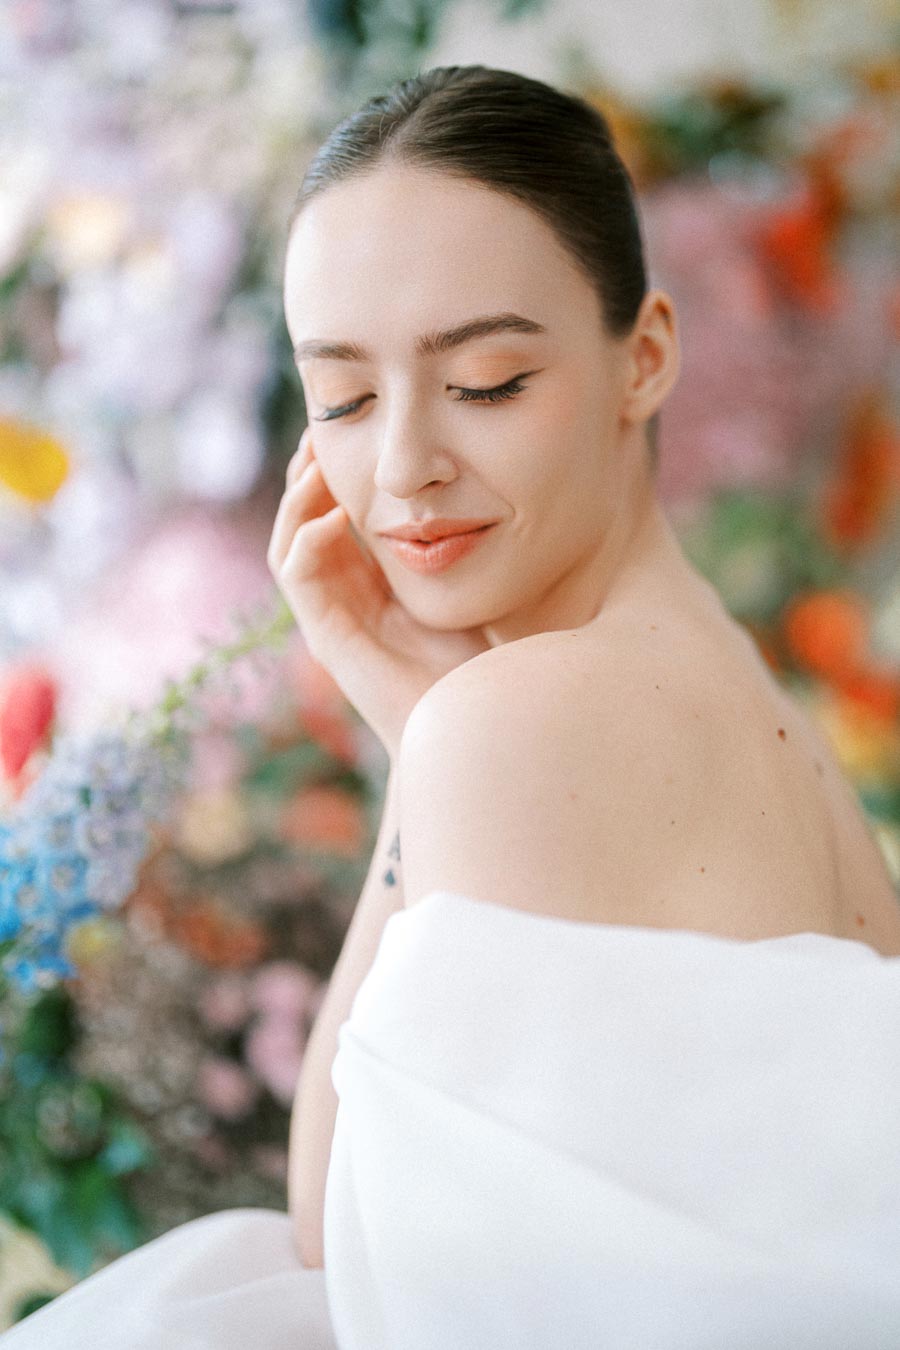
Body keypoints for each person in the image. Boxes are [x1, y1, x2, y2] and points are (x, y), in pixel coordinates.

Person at [4, 63, 900, 1350]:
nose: (407, 466)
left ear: (643, 357)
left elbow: (372, 1272)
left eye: (485, 381)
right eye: (347, 399)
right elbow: (345, 1231)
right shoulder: (726, 686)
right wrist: (411, 716)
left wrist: (446, 737)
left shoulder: (531, 720)